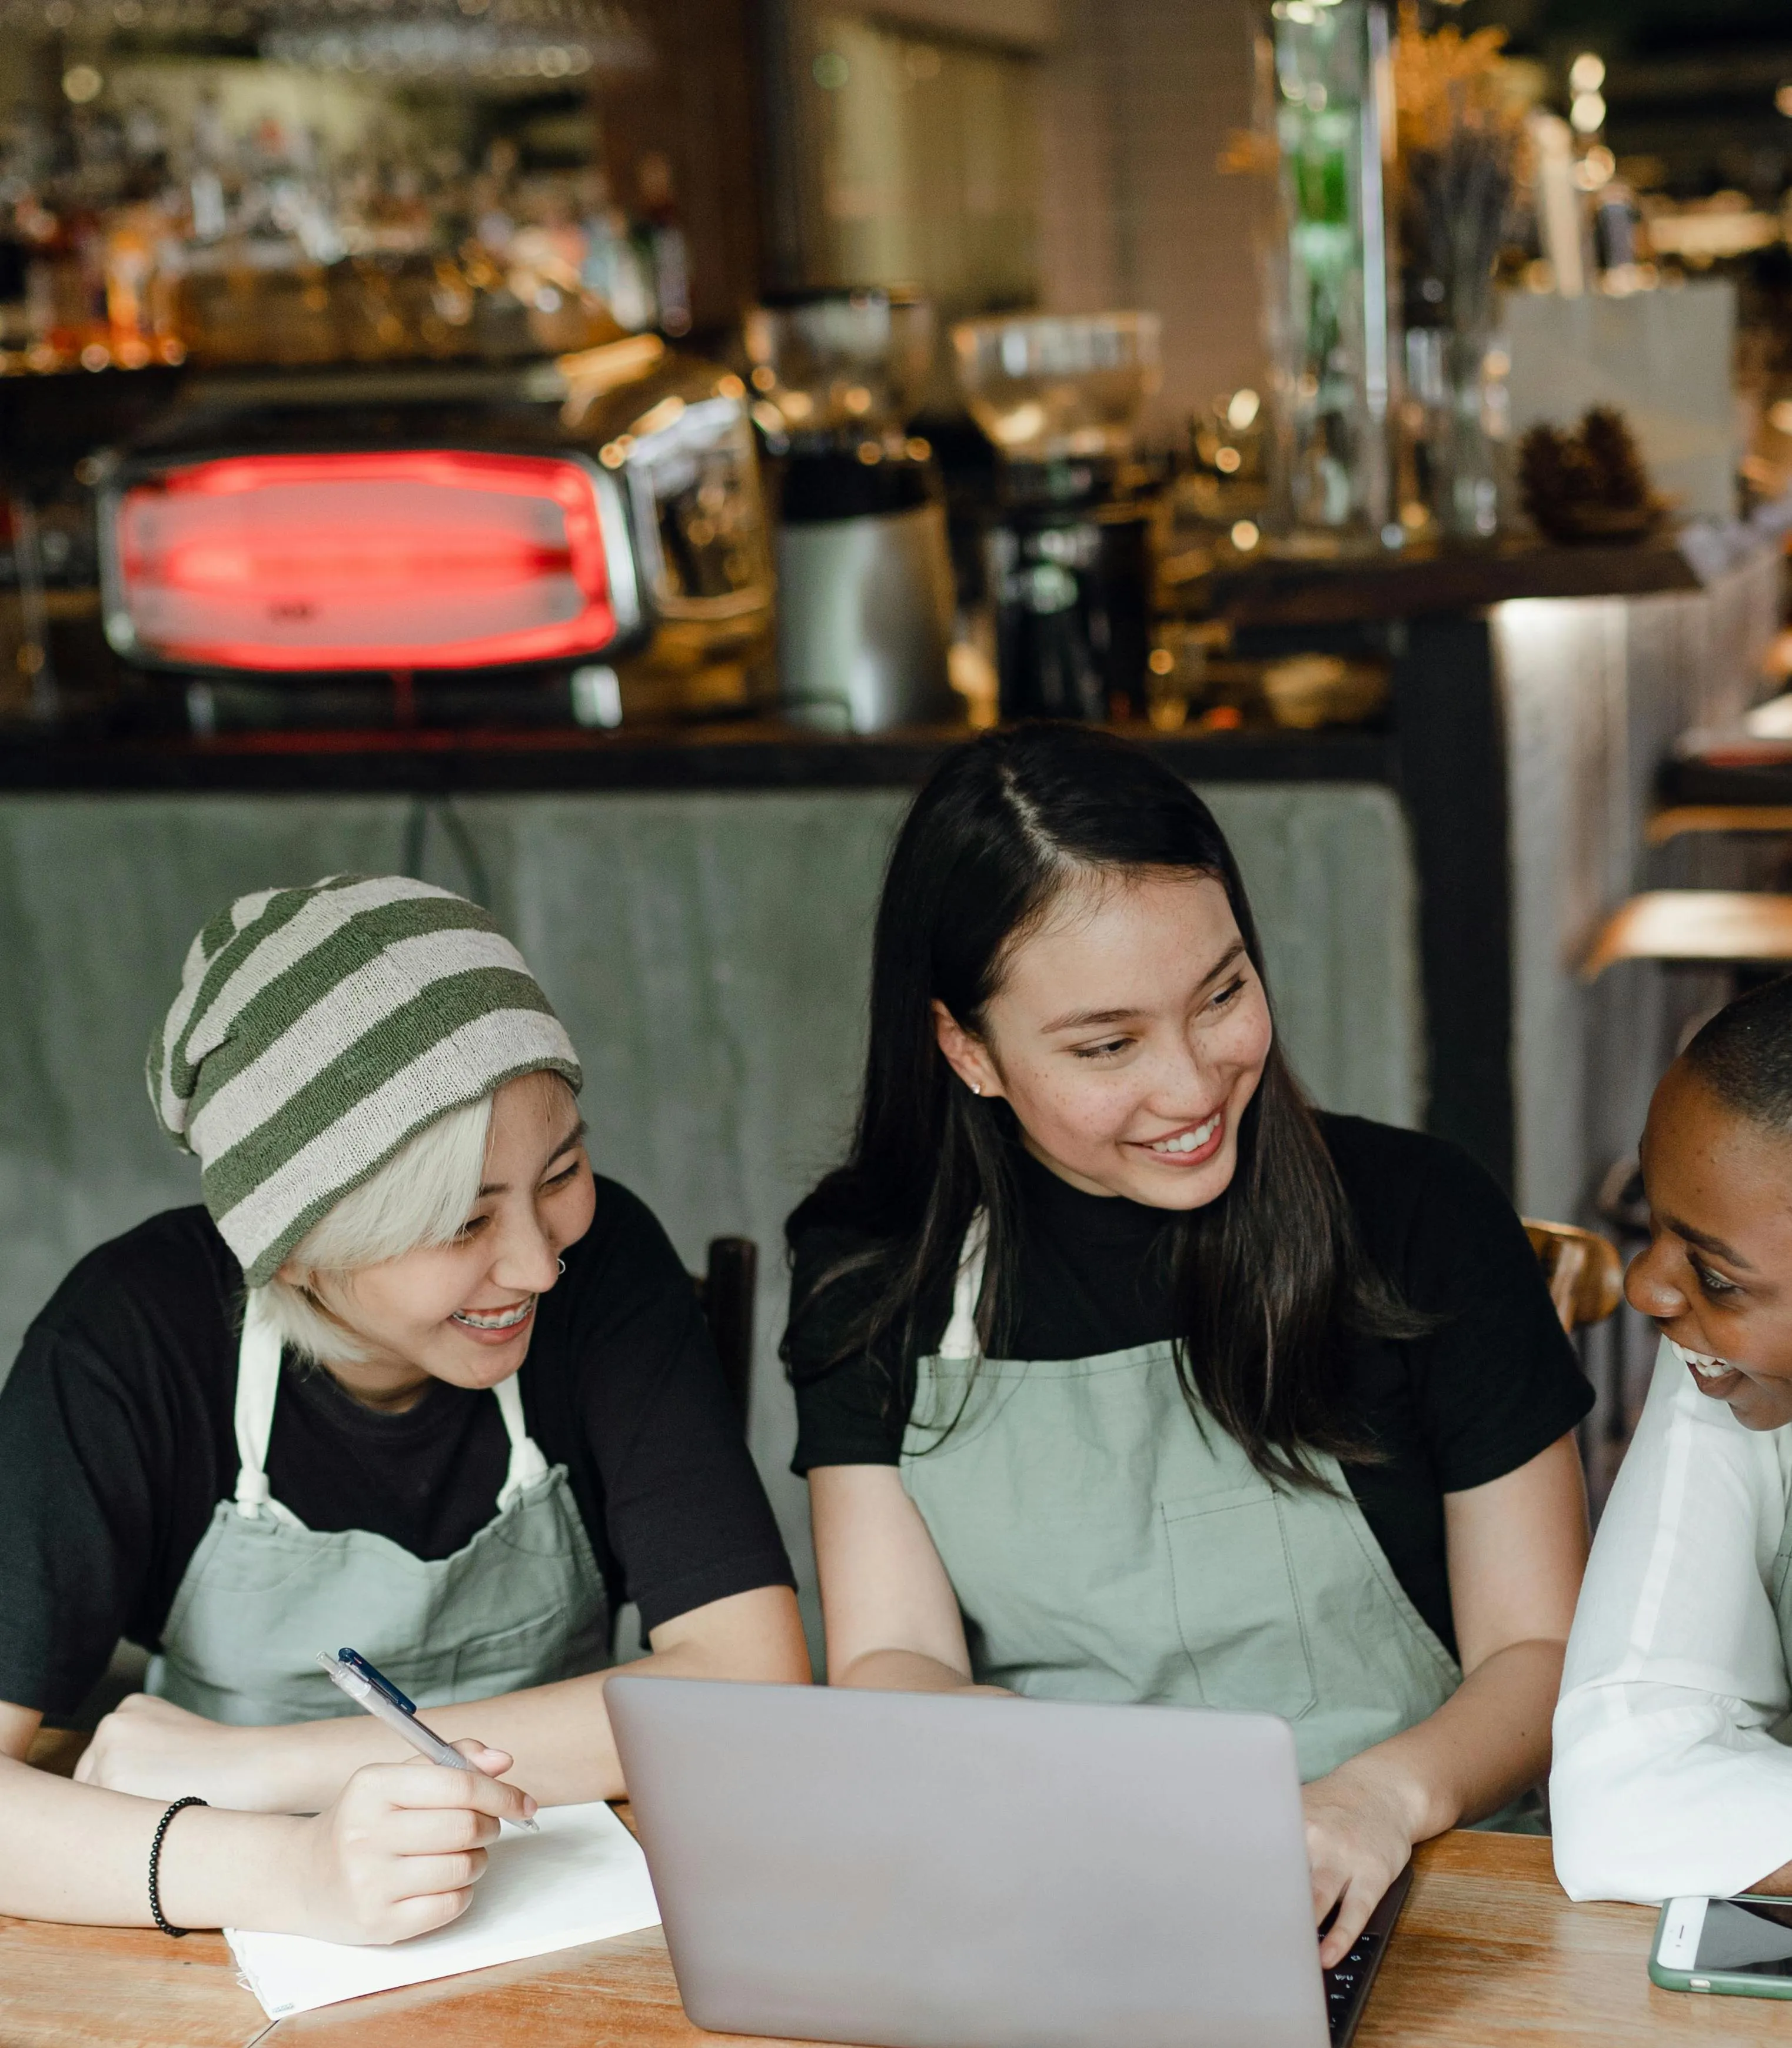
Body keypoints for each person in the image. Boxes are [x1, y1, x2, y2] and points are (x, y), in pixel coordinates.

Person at [784, 724, 1591, 1966]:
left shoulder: (1418, 1217)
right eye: (1107, 1045)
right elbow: (892, 1654)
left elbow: (1539, 1656)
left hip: (1430, 1880)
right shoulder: (873, 1269)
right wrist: (1052, 1780)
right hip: (1049, 1882)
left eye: (1220, 993)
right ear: (966, 1050)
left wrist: (1375, 1802)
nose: (1191, 1086)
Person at [0, 873, 806, 1943]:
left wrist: (252, 1766)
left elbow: (749, 1686)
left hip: (568, 1907)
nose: (537, 1263)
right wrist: (291, 1871)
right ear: (293, 1258)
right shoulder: (129, 1339)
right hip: (225, 1934)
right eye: (461, 1223)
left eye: (560, 1170)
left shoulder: (606, 1271)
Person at [1553, 975, 1792, 1903]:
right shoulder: (1728, 1371)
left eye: (1719, 1277)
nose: (1646, 1290)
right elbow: (1626, 1788)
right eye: (1655, 1221)